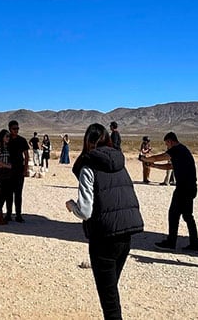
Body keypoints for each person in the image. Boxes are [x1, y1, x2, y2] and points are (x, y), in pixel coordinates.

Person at [65, 123, 144, 320]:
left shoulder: (88, 166)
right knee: (111, 289)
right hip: (125, 235)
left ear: (88, 142)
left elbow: (85, 210)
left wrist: (71, 206)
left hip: (104, 237)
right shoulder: (119, 162)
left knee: (109, 301)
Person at [142, 132, 198, 251]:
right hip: (189, 187)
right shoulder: (183, 150)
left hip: (184, 188)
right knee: (186, 216)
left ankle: (172, 242)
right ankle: (194, 243)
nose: (167, 146)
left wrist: (145, 158)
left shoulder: (177, 149)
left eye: (167, 144)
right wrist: (154, 166)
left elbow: (160, 157)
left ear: (170, 141)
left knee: (174, 214)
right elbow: (170, 166)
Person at [6, 120, 31, 222]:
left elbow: (26, 156)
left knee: (18, 193)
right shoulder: (7, 140)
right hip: (8, 169)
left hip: (19, 169)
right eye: (14, 129)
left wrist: (25, 169)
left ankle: (18, 214)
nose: (16, 130)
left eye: (17, 128)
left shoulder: (22, 140)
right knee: (8, 193)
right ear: (10, 129)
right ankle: (8, 214)